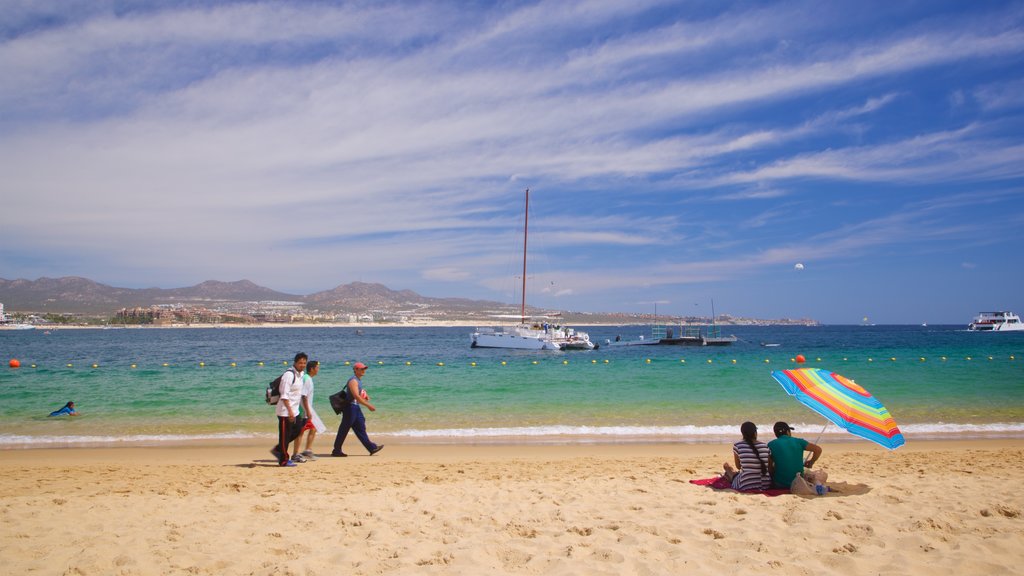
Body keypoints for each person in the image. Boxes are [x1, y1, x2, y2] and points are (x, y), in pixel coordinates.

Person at [331, 362, 383, 457]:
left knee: (360, 427)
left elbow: (358, 395)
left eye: (364, 369)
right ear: (355, 370)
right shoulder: (353, 381)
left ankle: (372, 448)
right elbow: (356, 396)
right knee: (344, 429)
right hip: (350, 408)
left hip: (355, 407)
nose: (363, 370)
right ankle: (336, 450)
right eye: (361, 369)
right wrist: (368, 405)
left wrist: (364, 395)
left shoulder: (358, 380)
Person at [271, 352, 308, 467]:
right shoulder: (289, 375)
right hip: (285, 411)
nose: (302, 365)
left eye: (304, 363)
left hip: (295, 410)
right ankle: (283, 460)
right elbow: (284, 395)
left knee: (298, 430)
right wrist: (290, 411)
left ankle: (278, 449)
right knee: (285, 436)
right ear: (295, 363)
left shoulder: (300, 375)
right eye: (300, 363)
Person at [767, 421, 828, 490]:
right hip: (798, 483)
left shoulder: (771, 444)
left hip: (779, 484)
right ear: (788, 432)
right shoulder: (799, 441)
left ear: (776, 434)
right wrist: (811, 462)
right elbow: (818, 450)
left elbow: (770, 468)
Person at [291, 360, 327, 462]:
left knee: (313, 428)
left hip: (305, 410)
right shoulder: (307, 379)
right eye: (317, 368)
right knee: (300, 432)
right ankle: (296, 453)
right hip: (303, 411)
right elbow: (304, 396)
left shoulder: (307, 378)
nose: (318, 369)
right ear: (312, 369)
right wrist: (307, 411)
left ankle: (307, 450)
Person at [721, 421, 771, 491]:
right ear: (755, 433)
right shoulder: (765, 446)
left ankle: (729, 472)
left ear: (743, 434)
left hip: (747, 483)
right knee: (736, 473)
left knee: (729, 470)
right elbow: (769, 467)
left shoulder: (738, 446)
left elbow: (738, 467)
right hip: (766, 483)